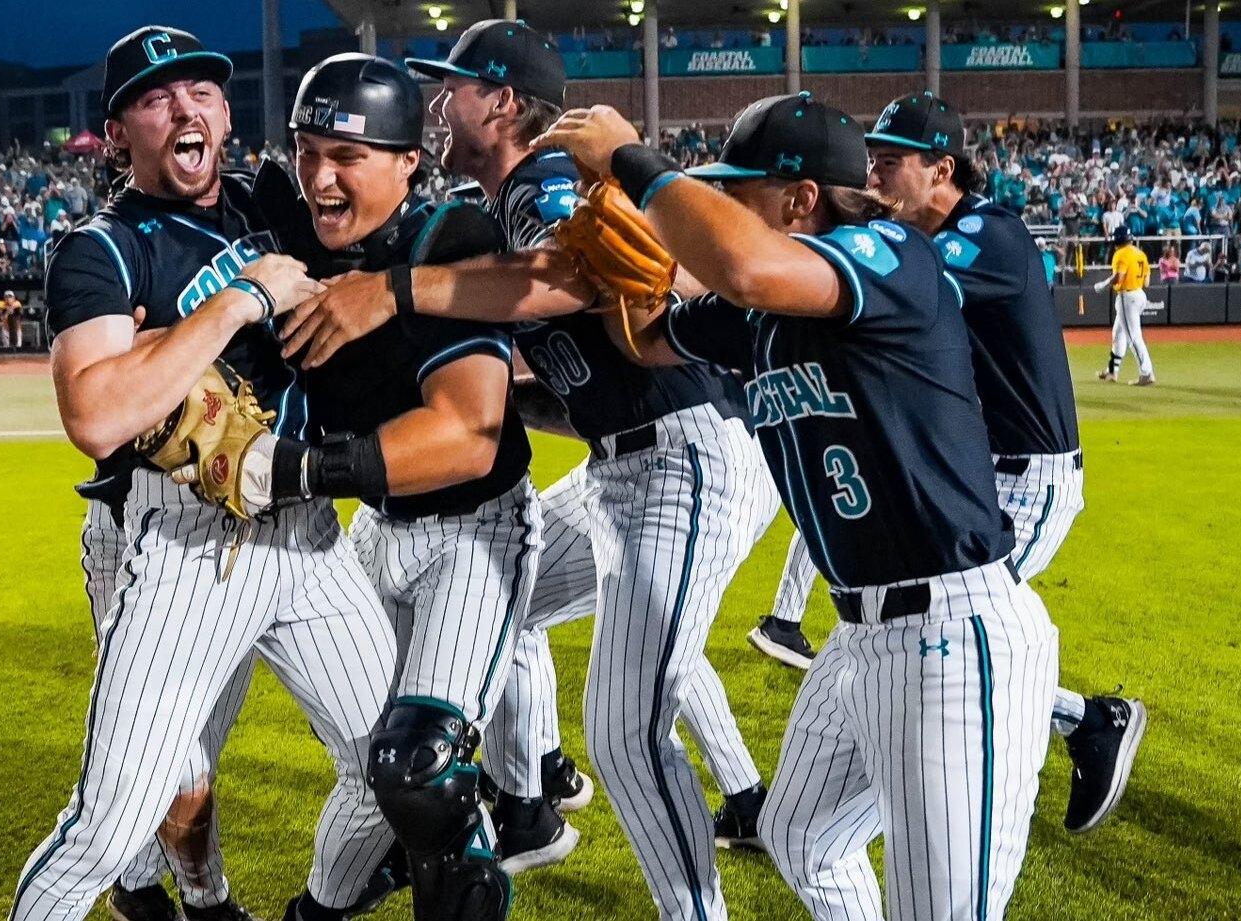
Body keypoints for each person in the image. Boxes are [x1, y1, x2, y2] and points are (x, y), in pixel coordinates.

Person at [285, 21, 783, 919]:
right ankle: (524, 804)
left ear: (504, 102)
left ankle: (687, 872)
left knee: (628, 729)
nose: (438, 103)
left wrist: (394, 290)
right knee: (512, 614)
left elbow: (573, 274)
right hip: (625, 464)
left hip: (685, 453)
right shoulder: (506, 197)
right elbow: (571, 378)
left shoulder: (539, 178)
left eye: (455, 87)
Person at [537, 93, 1060, 921]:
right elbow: (650, 338)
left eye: (736, 194)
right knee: (803, 834)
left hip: (956, 633)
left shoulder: (894, 251)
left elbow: (746, 265)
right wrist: (617, 266)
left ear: (800, 199)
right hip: (860, 637)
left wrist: (635, 165)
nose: (717, 209)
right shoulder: (761, 321)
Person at [9, 27, 399, 921]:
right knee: (121, 821)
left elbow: (378, 228)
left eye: (200, 92)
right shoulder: (101, 249)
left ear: (226, 114)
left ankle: (301, 906)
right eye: (155, 98)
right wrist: (240, 299)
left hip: (308, 531)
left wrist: (165, 346)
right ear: (118, 135)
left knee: (403, 769)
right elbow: (100, 414)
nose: (183, 108)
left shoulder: (273, 201)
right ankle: (180, 892)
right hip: (181, 541)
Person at [254, 52, 545, 921]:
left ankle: (478, 850)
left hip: (473, 530)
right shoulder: (294, 231)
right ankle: (325, 904)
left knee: (420, 763)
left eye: (346, 156)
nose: (319, 176)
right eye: (307, 152)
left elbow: (465, 435)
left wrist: (303, 468)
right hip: (379, 532)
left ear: (408, 161)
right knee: (368, 756)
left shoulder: (447, 240)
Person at [862, 92, 1147, 834]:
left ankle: (1091, 719)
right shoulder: (926, 237)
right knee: (931, 618)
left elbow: (904, 291)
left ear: (941, 170)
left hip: (1034, 475)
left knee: (954, 621)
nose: (873, 175)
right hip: (984, 470)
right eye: (871, 160)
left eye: (889, 162)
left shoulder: (991, 232)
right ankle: (1086, 719)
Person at [1095, 226, 1157, 385]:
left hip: (1127, 296)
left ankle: (1147, 372)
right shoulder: (1140, 253)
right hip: (1139, 294)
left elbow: (1119, 278)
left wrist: (1103, 285)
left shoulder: (1121, 253)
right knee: (1118, 333)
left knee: (1133, 337)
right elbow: (1147, 282)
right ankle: (1112, 371)